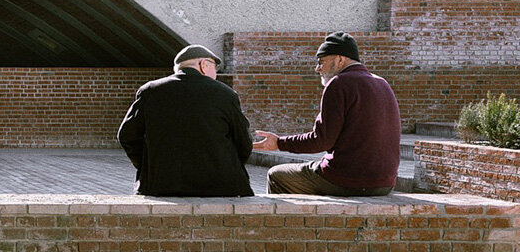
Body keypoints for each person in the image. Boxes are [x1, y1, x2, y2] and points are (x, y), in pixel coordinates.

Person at [253, 32, 400, 196]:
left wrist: (279, 143)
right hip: (385, 182)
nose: (317, 68)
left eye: (321, 61)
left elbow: (321, 141)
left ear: (340, 60)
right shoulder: (382, 83)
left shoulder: (339, 83)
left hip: (347, 179)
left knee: (276, 175)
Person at [117, 43, 254, 197]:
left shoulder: (150, 91)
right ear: (204, 65)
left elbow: (127, 136)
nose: (215, 73)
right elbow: (243, 142)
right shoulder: (225, 94)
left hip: (161, 185)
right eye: (214, 68)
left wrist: (148, 166)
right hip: (221, 186)